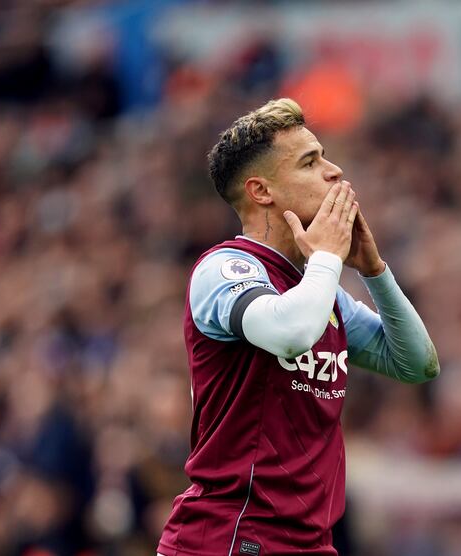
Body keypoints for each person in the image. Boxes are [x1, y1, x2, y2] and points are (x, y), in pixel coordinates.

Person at [157, 98, 440, 556]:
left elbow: (416, 364)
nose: (334, 171)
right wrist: (328, 256)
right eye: (310, 162)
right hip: (232, 537)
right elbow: (290, 332)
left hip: (309, 543)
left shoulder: (317, 290)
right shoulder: (224, 268)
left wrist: (374, 270)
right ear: (261, 191)